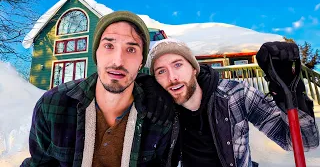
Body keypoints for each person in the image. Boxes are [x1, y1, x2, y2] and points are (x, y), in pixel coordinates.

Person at [21, 11, 175, 167]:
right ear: (96, 53)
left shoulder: (159, 116)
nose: (118, 61)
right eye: (109, 46)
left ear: (141, 62)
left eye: (131, 49)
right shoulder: (52, 106)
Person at [145, 38, 319, 167]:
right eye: (161, 71)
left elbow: (304, 142)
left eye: (178, 65)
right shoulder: (160, 109)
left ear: (193, 68)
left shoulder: (235, 94)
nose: (172, 77)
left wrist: (292, 97)